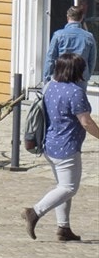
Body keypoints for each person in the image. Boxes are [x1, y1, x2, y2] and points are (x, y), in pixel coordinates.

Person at [25, 51, 99, 242]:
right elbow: (86, 122)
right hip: (67, 147)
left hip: (50, 144)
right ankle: (34, 212)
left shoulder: (51, 86)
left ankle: (63, 228)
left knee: (63, 186)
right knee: (69, 188)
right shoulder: (76, 92)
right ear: (77, 71)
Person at [43, 4, 98, 81]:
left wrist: (47, 79)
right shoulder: (89, 37)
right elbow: (92, 60)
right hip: (81, 78)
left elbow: (50, 59)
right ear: (81, 18)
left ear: (67, 17)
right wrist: (87, 76)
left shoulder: (58, 35)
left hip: (61, 76)